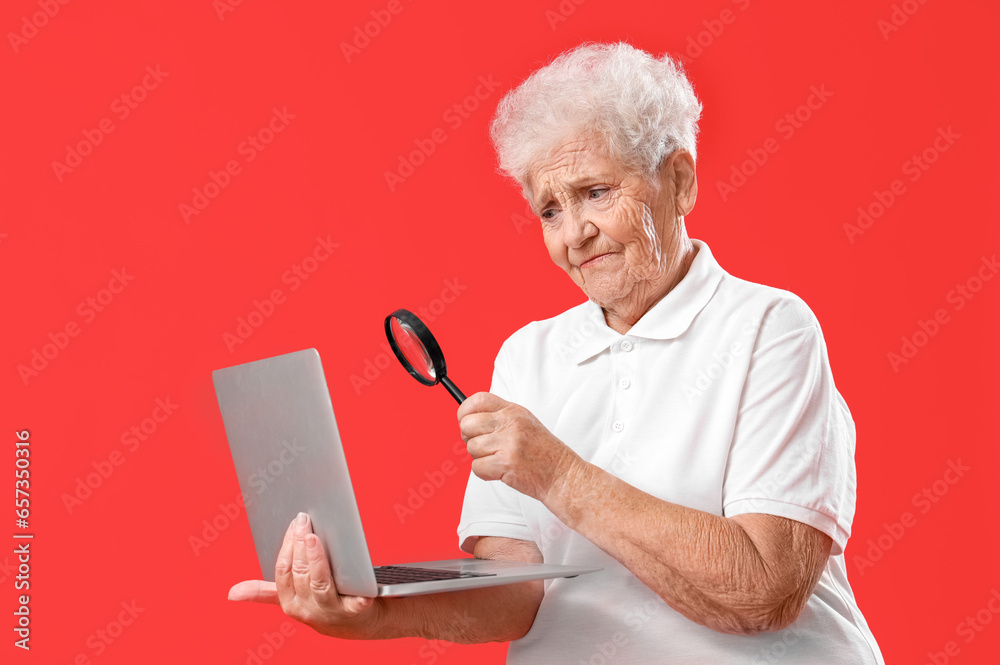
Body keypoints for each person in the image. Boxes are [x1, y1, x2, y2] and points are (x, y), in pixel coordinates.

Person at [229, 42, 885, 663]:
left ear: (679, 181)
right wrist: (376, 609)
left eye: (596, 192)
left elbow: (763, 586)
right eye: (549, 209)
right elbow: (518, 593)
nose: (576, 233)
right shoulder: (529, 356)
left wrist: (558, 474)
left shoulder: (770, 328)